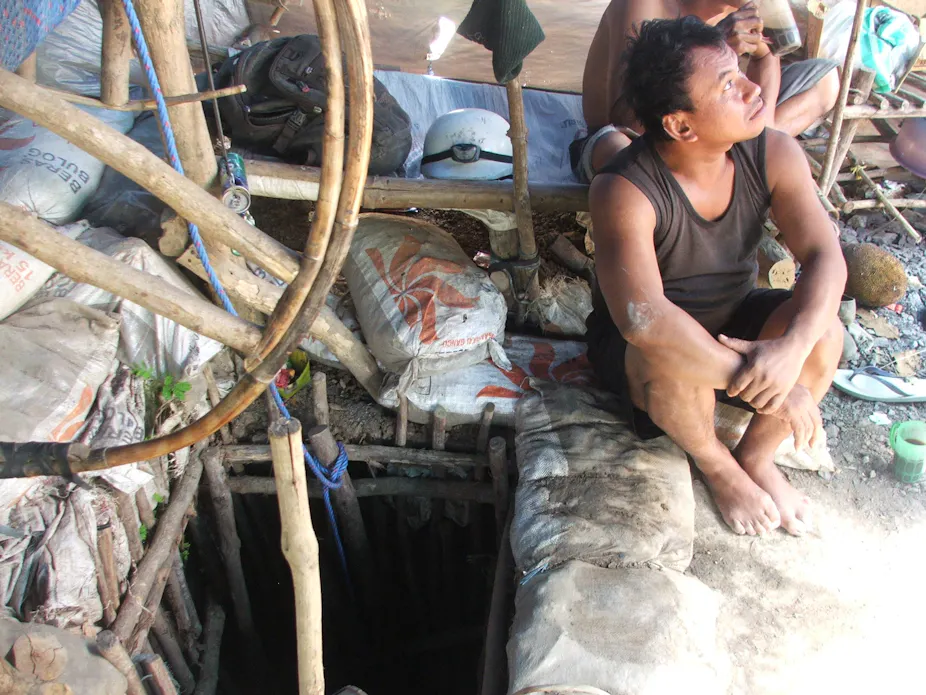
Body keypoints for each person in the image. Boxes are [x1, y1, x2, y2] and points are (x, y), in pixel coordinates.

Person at [585, 16, 847, 536]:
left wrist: (791, 350)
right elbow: (646, 322)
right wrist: (772, 387)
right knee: (664, 358)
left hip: (733, 321)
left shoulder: (773, 152)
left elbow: (825, 256)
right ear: (681, 126)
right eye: (728, 86)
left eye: (740, 72)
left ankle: (756, 458)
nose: (752, 89)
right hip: (652, 351)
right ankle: (718, 465)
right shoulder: (624, 189)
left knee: (824, 334)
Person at [572, 0, 839, 183]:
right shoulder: (646, 5)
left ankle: (749, 154)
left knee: (825, 81)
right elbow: (630, 122)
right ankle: (748, 159)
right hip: (638, 136)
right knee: (618, 149)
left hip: (716, 117)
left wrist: (764, 56)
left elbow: (760, 104)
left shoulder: (747, 9)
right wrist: (712, 46)